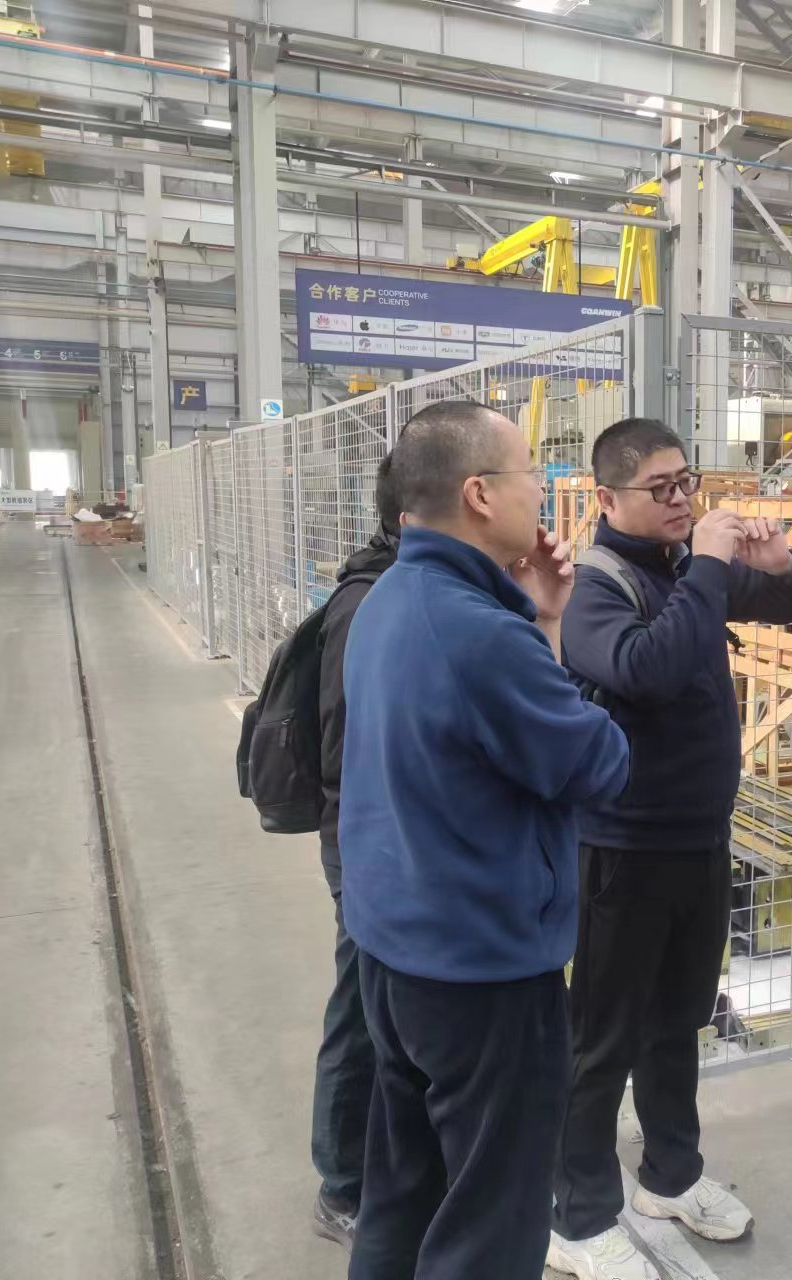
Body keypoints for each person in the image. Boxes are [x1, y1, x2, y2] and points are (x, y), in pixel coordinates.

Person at [339, 400, 631, 1280]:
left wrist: (543, 620)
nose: (541, 490)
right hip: (481, 977)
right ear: (478, 494)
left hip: (396, 952)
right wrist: (542, 637)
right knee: (492, 1225)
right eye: (530, 473)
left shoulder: (391, 597)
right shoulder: (478, 634)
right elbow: (597, 763)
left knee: (406, 1192)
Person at [548, 418, 792, 1280]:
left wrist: (780, 563)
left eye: (686, 482)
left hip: (699, 843)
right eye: (660, 488)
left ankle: (670, 1178)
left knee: (676, 1023)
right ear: (607, 498)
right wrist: (708, 563)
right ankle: (577, 1216)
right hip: (622, 852)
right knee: (601, 1041)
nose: (680, 500)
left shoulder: (681, 568)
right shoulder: (597, 587)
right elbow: (650, 669)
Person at [311, 455, 400, 1250]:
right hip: (367, 845)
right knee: (362, 1015)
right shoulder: (368, 604)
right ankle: (342, 1184)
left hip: (394, 844)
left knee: (388, 1016)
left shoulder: (403, 592)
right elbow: (347, 750)